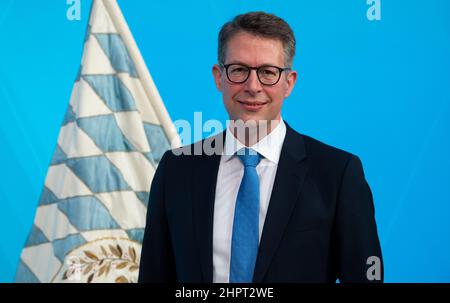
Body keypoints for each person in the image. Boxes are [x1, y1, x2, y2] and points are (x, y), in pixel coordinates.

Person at [138, 11, 383, 283]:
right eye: (239, 70)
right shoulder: (177, 169)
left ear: (289, 83)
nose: (253, 86)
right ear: (219, 77)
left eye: (268, 72)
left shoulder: (337, 174)